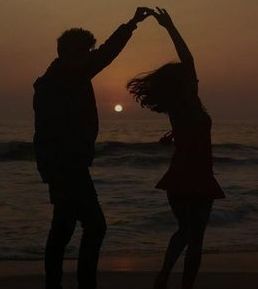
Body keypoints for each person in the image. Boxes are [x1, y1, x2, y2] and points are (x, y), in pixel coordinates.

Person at [33, 7, 152, 289]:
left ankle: (56, 284)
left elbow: (104, 54)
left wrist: (131, 24)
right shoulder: (61, 81)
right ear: (70, 54)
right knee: (94, 226)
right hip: (68, 167)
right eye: (85, 52)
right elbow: (106, 54)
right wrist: (131, 24)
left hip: (64, 166)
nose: (90, 56)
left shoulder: (61, 78)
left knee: (63, 228)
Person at [127, 7, 225, 289]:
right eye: (190, 78)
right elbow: (189, 59)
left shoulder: (177, 107)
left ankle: (163, 277)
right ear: (184, 83)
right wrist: (170, 27)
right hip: (195, 177)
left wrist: (174, 135)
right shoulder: (189, 102)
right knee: (195, 239)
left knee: (185, 233)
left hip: (182, 177)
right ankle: (180, 284)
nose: (195, 79)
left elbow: (188, 130)